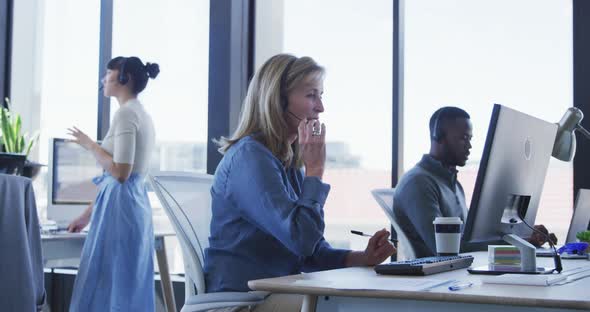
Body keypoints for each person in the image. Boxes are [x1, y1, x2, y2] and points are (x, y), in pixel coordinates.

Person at [204, 54, 396, 312]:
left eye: (321, 95)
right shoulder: (251, 158)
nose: (320, 108)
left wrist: (362, 258)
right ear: (278, 100)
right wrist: (315, 170)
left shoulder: (287, 159)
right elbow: (300, 240)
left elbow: (311, 251)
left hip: (277, 291)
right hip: (243, 300)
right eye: (311, 95)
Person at [394, 107, 556, 258]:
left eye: (470, 139)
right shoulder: (418, 184)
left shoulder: (454, 185)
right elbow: (445, 249)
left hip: (460, 276)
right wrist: (518, 244)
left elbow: (470, 240)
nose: (469, 146)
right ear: (438, 136)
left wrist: (524, 237)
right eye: (463, 138)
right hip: (436, 282)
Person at [66, 56, 159, 311]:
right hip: (128, 204)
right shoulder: (139, 113)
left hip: (121, 208)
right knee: (124, 283)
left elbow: (120, 173)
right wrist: (86, 215)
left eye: (108, 73)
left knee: (109, 282)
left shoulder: (126, 114)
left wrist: (89, 144)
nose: (103, 79)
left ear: (123, 78)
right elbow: (115, 179)